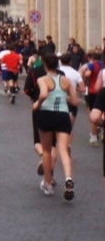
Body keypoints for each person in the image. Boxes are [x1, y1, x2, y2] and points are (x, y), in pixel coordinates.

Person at [34, 52, 80, 199]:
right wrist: (62, 95)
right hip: (62, 115)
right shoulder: (65, 81)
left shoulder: (43, 79)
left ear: (45, 65)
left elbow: (43, 95)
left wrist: (37, 104)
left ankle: (47, 183)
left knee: (47, 151)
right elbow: (75, 102)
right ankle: (68, 179)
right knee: (63, 150)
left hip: (46, 114)